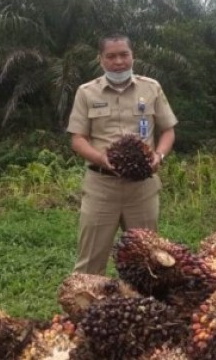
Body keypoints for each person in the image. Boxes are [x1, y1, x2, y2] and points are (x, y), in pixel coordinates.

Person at [66, 33, 178, 275]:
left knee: (148, 259)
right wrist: (101, 159)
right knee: (90, 262)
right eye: (111, 56)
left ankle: (144, 307)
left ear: (132, 56)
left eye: (124, 55)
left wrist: (159, 156)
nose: (119, 61)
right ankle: (86, 308)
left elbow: (168, 130)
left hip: (142, 187)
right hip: (101, 187)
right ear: (101, 59)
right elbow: (77, 139)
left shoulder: (151, 88)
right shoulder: (86, 93)